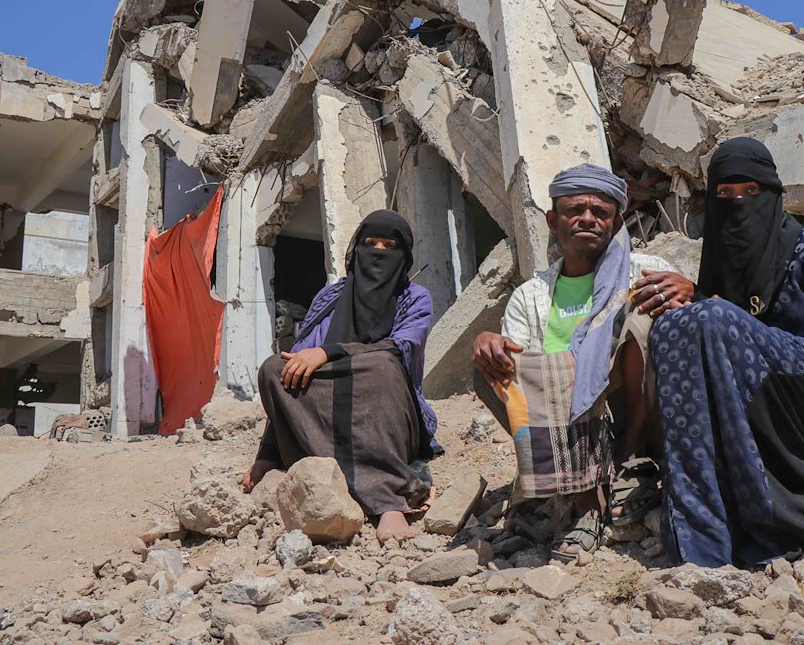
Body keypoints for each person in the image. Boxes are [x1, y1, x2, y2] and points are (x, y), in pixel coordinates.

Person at [650, 137, 804, 568]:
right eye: (725, 195)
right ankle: (701, 534)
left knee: (714, 319)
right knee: (673, 324)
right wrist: (704, 304)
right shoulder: (720, 262)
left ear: (772, 193)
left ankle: (771, 512)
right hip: (749, 420)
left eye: (751, 192)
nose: (738, 205)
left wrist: (757, 339)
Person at [472, 163, 695, 563]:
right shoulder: (529, 296)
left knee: (641, 320)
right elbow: (521, 372)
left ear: (615, 221)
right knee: (491, 361)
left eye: (601, 212)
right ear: (552, 220)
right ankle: (583, 496)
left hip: (637, 413)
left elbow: (692, 336)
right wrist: (490, 343)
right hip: (565, 424)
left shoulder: (649, 270)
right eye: (575, 210)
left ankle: (629, 465)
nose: (588, 219)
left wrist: (693, 290)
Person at [240, 210, 438, 543]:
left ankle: (388, 500)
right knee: (275, 368)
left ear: (403, 256)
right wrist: (266, 455)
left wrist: (329, 353)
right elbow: (296, 367)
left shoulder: (415, 298)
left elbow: (402, 348)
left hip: (386, 413)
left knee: (383, 364)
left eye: (388, 246)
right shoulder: (330, 297)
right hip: (325, 419)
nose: (377, 253)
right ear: (355, 249)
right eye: (369, 243)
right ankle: (325, 470)